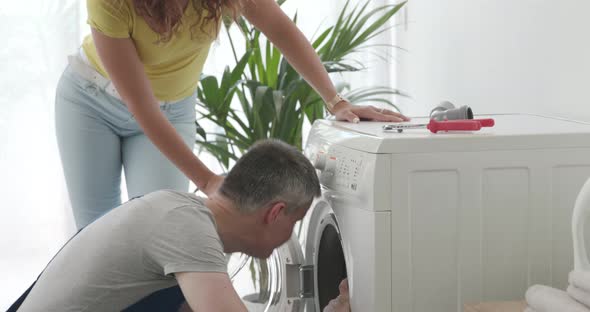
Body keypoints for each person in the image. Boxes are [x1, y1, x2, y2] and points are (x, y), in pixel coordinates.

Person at [56, 0, 410, 230]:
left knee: (159, 229)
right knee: (96, 232)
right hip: (90, 103)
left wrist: (336, 101)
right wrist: (208, 180)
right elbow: (141, 105)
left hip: (172, 107)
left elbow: (281, 29)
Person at [13, 139, 350, 311]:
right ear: (275, 213)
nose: (292, 235)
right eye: (297, 221)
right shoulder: (187, 229)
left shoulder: (179, 210)